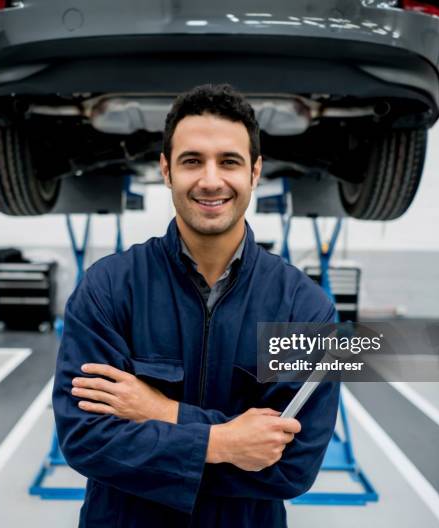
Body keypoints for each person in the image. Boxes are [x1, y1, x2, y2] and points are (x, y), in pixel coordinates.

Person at [52, 84, 340, 528]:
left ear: (255, 172)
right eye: (192, 161)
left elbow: (291, 467)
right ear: (166, 170)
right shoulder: (108, 287)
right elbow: (86, 439)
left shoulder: (304, 307)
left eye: (229, 161)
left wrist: (160, 412)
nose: (210, 180)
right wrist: (223, 441)